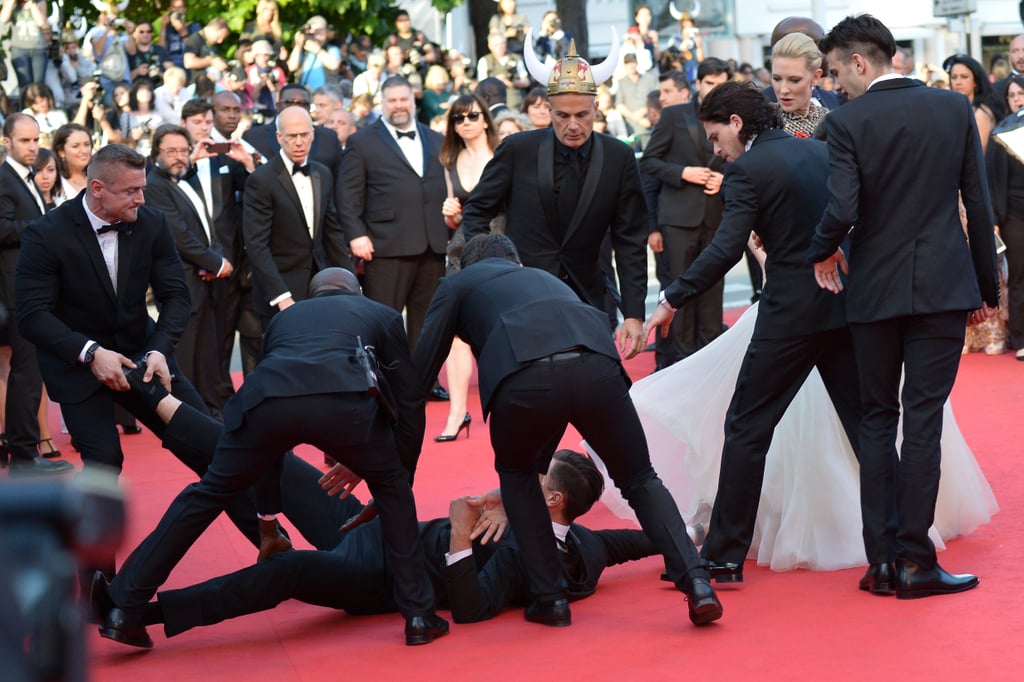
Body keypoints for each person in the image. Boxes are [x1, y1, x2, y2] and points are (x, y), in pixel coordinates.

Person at [95, 267, 447, 648]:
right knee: (394, 493)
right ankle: (417, 615)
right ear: (357, 292)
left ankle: (123, 604)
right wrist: (396, 476)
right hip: (345, 406)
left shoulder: (284, 320)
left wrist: (267, 518)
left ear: (311, 297)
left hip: (267, 404)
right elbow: (408, 401)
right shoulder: (382, 314)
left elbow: (273, 434)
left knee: (208, 492)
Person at [414, 234, 721, 627]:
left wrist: (392, 464)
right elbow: (565, 379)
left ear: (468, 267)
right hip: (598, 367)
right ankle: (696, 582)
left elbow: (421, 373)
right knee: (641, 479)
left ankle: (550, 598)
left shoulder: (456, 284)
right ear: (517, 263)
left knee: (518, 478)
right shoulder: (546, 279)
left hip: (524, 377)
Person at [808, 14, 999, 599]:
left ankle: (882, 562)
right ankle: (916, 561)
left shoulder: (847, 122)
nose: (835, 85)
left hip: (874, 291)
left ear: (861, 62)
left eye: (838, 72)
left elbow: (841, 208)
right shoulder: (952, 110)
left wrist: (820, 252)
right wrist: (986, 289)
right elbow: (978, 202)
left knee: (876, 420)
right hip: (943, 288)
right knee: (922, 420)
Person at [643, 80, 863, 584]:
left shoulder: (747, 171)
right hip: (843, 308)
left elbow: (724, 251)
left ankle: (722, 556)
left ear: (737, 124)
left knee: (745, 429)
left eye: (717, 136)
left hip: (789, 319)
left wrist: (672, 297)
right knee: (865, 427)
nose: (716, 149)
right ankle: (892, 543)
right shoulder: (821, 155)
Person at [15, 143, 264, 585]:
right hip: (79, 366)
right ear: (97, 189)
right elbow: (33, 316)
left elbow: (174, 297)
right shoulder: (46, 234)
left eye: (143, 188)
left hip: (143, 355)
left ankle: (270, 546)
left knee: (209, 448)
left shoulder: (150, 222)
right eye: (131, 191)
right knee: (103, 463)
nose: (141, 199)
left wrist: (159, 350)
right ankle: (98, 588)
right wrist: (90, 352)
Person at [462, 36, 649, 358]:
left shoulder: (619, 157)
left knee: (592, 393)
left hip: (590, 296)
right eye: (563, 116)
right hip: (522, 296)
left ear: (597, 108)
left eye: (582, 115)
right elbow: (477, 211)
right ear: (548, 109)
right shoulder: (518, 149)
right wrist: (493, 269)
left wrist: (634, 313)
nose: (573, 125)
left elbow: (631, 240)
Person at [338, 76, 448, 350]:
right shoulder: (361, 142)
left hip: (432, 244)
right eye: (392, 100)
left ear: (413, 101)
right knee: (384, 320)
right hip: (386, 245)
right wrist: (356, 235)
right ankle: (386, 382)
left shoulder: (436, 139)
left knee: (427, 319)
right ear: (382, 103)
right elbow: (347, 195)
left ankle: (424, 378)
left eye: (404, 99)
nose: (399, 106)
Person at [640, 61, 728, 371]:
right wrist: (683, 173)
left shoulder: (735, 119)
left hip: (716, 219)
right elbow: (649, 162)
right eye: (709, 83)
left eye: (720, 83)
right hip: (678, 220)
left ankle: (710, 364)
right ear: (698, 83)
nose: (714, 89)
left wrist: (725, 181)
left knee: (712, 294)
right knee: (678, 292)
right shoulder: (675, 115)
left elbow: (746, 161)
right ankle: (680, 366)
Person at [0, 114, 73, 474]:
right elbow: (2, 229)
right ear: (6, 141)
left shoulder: (22, 178)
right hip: (15, 290)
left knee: (29, 372)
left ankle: (25, 453)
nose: (32, 147)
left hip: (30, 288)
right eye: (24, 141)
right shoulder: (4, 179)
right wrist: (46, 222)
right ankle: (24, 455)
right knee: (25, 372)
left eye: (35, 140)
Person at [435, 95, 502, 442]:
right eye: (458, 118)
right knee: (456, 335)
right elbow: (454, 217)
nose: (465, 123)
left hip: (502, 249)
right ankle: (457, 413)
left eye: (472, 116)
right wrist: (450, 213)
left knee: (500, 330)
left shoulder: (503, 153)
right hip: (461, 250)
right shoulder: (450, 160)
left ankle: (508, 405)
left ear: (485, 119)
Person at [988, 75, 1024, 361]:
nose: (1017, 99)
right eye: (1012, 95)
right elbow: (994, 180)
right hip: (1014, 214)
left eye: (1021, 93)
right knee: (1019, 276)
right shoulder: (1000, 131)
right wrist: (997, 217)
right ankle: (1021, 337)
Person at [771, 33, 828, 138]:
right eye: (777, 79)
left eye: (794, 80)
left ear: (815, 77)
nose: (783, 90)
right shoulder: (759, 123)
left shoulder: (832, 123)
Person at [288, 15, 342, 92]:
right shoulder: (303, 50)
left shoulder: (331, 49)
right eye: (315, 30)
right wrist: (298, 45)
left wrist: (317, 50)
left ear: (326, 32)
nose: (318, 33)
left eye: (321, 30)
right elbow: (292, 67)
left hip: (326, 95)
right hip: (304, 94)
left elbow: (334, 65)